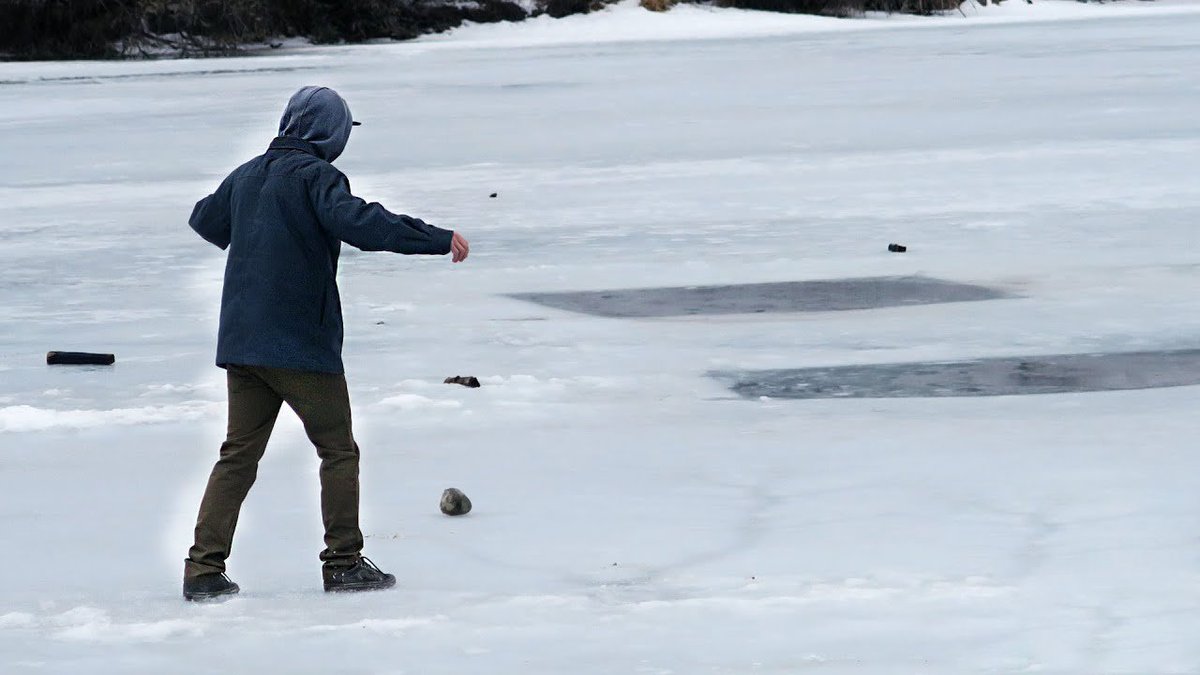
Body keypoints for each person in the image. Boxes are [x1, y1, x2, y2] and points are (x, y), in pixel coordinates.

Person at [182, 86, 469, 601]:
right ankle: (343, 563)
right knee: (338, 451)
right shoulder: (317, 177)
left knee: (237, 455)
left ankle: (202, 570)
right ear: (328, 133)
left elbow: (206, 219)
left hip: (244, 342)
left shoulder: (248, 174)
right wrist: (433, 237)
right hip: (299, 344)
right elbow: (360, 223)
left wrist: (261, 229)